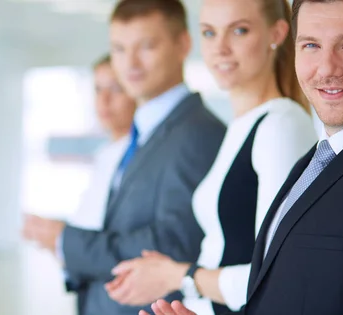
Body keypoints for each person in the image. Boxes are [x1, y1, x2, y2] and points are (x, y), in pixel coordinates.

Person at [142, 0, 343, 314]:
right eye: (311, 45)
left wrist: (183, 277)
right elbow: (277, 290)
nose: (327, 68)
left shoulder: (283, 126)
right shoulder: (314, 162)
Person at [105, 0, 317, 314]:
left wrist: (179, 275)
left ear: (277, 33)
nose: (220, 49)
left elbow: (279, 274)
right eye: (208, 33)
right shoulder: (241, 126)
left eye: (239, 31)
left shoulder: (280, 125)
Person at [22, 0, 226, 314]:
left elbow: (172, 245)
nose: (130, 63)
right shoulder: (142, 133)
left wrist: (70, 243)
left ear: (183, 44)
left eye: (146, 46)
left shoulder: (197, 134)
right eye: (119, 48)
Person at [66, 54, 136, 231]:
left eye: (116, 89)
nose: (103, 100)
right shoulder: (105, 152)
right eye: (98, 89)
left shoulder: (139, 154)